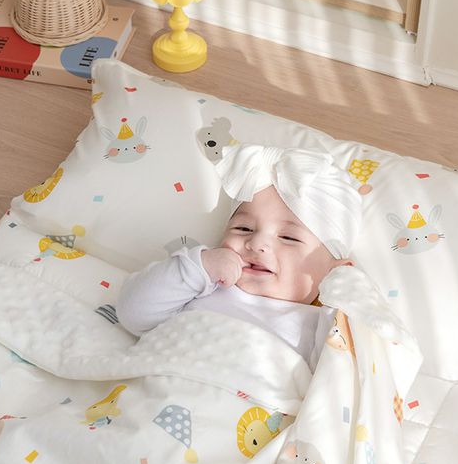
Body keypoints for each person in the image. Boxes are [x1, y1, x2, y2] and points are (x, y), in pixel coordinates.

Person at [116, 144, 363, 370]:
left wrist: (345, 294)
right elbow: (133, 314)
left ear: (334, 272)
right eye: (243, 228)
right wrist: (200, 267)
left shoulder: (318, 328)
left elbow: (342, 383)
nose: (256, 244)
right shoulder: (199, 288)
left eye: (289, 238)